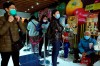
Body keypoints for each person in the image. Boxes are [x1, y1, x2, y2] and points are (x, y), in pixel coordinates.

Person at [0, 1, 26, 66]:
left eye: (15, 8)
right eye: (12, 8)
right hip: (5, 47)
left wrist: (19, 21)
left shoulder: (16, 19)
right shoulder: (1, 19)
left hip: (15, 46)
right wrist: (8, 22)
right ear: (6, 9)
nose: (14, 9)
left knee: (16, 63)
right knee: (4, 63)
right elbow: (0, 32)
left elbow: (24, 31)